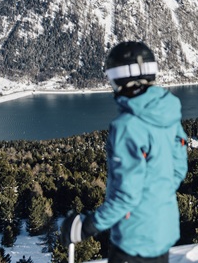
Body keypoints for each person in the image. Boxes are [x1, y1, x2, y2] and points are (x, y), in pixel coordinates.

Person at [62, 41, 188, 263]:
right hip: (162, 230)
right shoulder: (167, 112)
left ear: (119, 78)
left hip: (134, 238)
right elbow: (177, 171)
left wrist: (86, 226)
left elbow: (126, 195)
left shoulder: (127, 126)